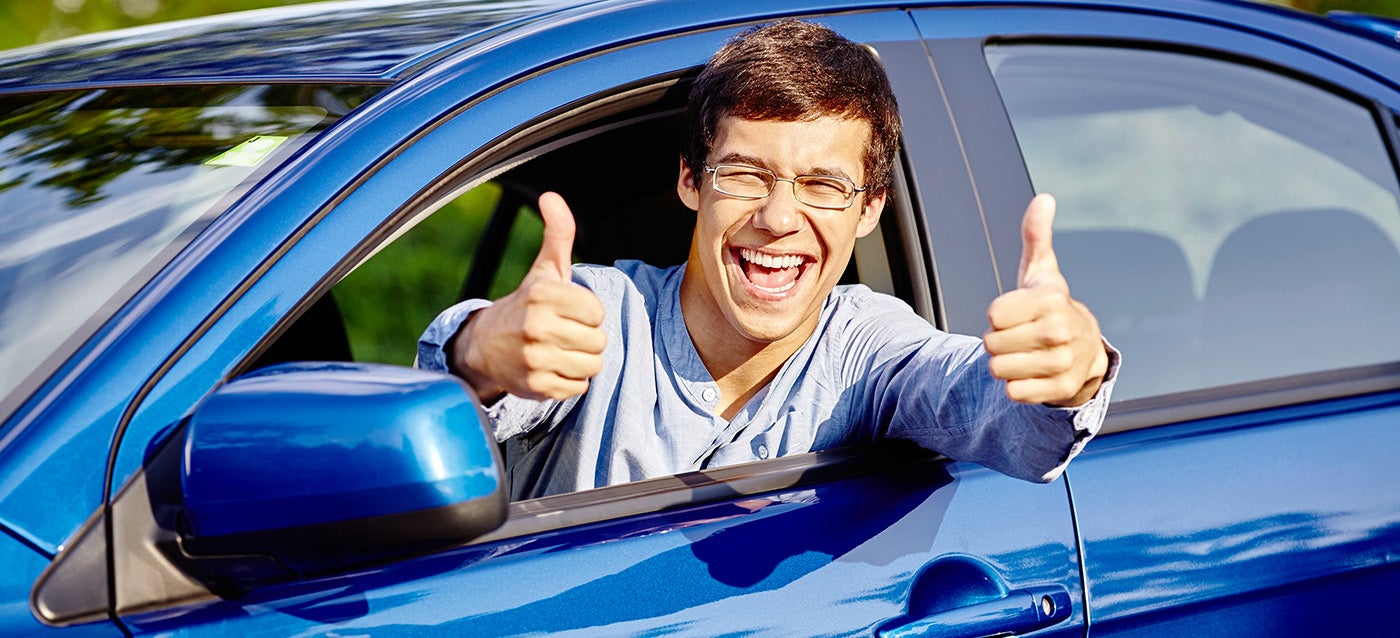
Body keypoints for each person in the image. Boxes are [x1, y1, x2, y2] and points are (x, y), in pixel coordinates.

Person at [418, 19, 1119, 501]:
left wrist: (1071, 371)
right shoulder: (602, 310)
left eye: (822, 186)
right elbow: (469, 398)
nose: (779, 219)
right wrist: (481, 350)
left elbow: (1004, 423)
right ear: (691, 180)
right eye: (746, 174)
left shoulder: (867, 346)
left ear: (869, 209)